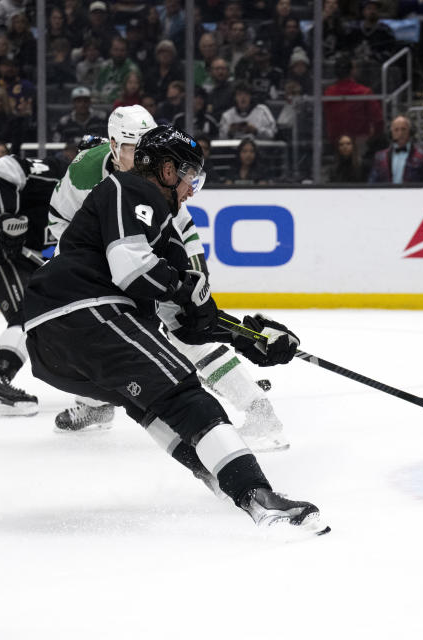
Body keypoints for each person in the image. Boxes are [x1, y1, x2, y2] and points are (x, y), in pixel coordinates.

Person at [24, 124, 326, 533]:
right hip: (82, 311)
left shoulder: (164, 232)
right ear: (167, 170)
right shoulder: (126, 189)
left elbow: (185, 322)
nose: (191, 190)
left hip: (52, 343)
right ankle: (258, 496)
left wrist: (251, 339)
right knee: (183, 393)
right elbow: (131, 268)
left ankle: (222, 481)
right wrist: (185, 287)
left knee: (152, 406)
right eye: (191, 177)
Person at [47, 107, 290, 450]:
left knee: (187, 328)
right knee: (92, 327)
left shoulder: (157, 170)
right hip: (105, 258)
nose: (143, 154)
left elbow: (180, 226)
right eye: (133, 146)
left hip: (152, 250)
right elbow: (58, 222)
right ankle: (95, 405)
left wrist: (192, 281)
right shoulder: (86, 171)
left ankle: (257, 409)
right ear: (114, 145)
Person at [0, 148, 73, 414]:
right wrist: (8, 217)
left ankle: (90, 394)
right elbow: (3, 168)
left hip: (25, 256)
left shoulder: (94, 198)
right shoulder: (61, 173)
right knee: (26, 316)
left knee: (48, 319)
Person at [323, 55, 383, 156]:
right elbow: (378, 120)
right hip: (359, 141)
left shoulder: (328, 93)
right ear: (352, 71)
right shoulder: (364, 92)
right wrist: (373, 137)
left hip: (336, 141)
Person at [368, 115, 423, 184]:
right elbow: (372, 182)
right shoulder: (380, 156)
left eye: (403, 129)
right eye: (396, 130)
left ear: (410, 132)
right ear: (391, 133)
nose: (400, 133)